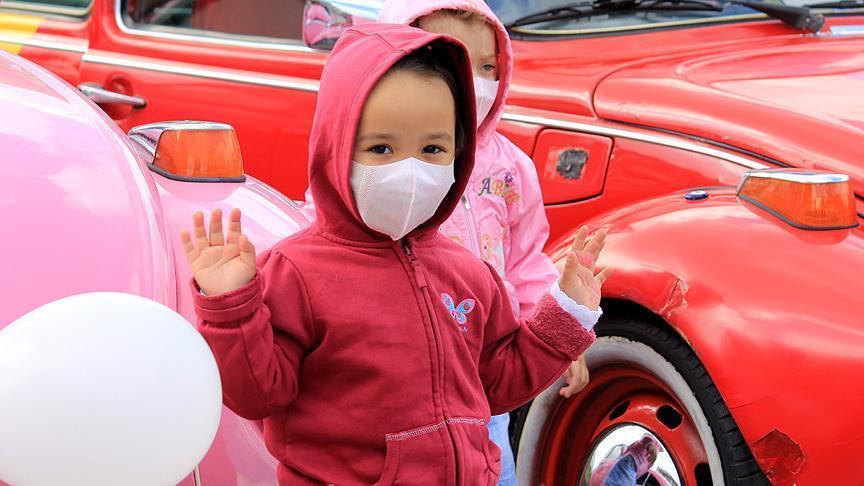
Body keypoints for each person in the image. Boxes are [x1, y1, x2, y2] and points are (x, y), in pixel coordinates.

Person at [182, 23, 610, 485]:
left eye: (432, 148)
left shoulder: (469, 273)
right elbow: (257, 395)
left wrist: (565, 315)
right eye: (381, 148)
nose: (410, 170)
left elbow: (497, 383)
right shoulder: (295, 272)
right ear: (337, 147)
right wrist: (231, 308)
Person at [377, 2, 593, 482]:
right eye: (452, 59)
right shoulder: (381, 160)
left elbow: (526, 263)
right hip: (402, 381)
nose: (474, 81)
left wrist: (563, 337)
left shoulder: (511, 168)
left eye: (487, 67)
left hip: (484, 375)